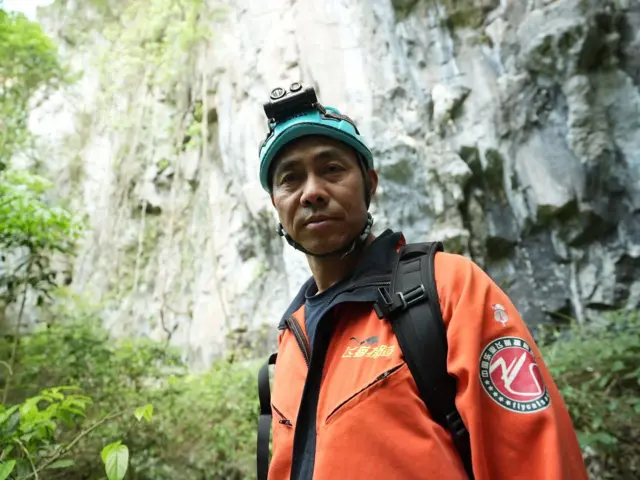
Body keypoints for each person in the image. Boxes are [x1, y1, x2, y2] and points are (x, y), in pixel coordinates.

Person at [256, 83, 589, 480]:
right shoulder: (291, 340)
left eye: (332, 169)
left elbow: (537, 458)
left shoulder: (448, 288)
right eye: (290, 179)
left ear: (370, 185)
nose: (311, 192)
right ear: (277, 204)